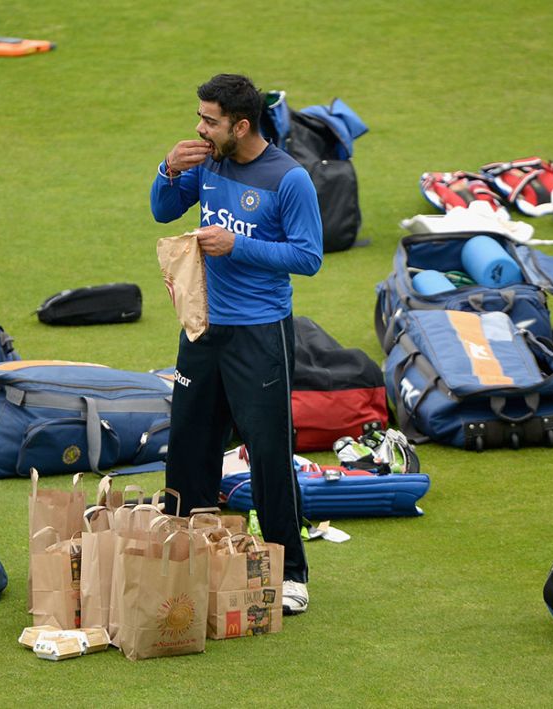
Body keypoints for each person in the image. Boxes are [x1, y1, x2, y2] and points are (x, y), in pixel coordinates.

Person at [150, 73, 322, 614]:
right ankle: (187, 558)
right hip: (200, 326)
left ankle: (289, 573)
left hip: (259, 333)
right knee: (189, 446)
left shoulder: (288, 179)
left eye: (210, 120)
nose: (199, 127)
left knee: (269, 453)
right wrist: (169, 170)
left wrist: (238, 244)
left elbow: (308, 257)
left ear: (241, 125)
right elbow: (162, 210)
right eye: (200, 116)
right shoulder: (206, 161)